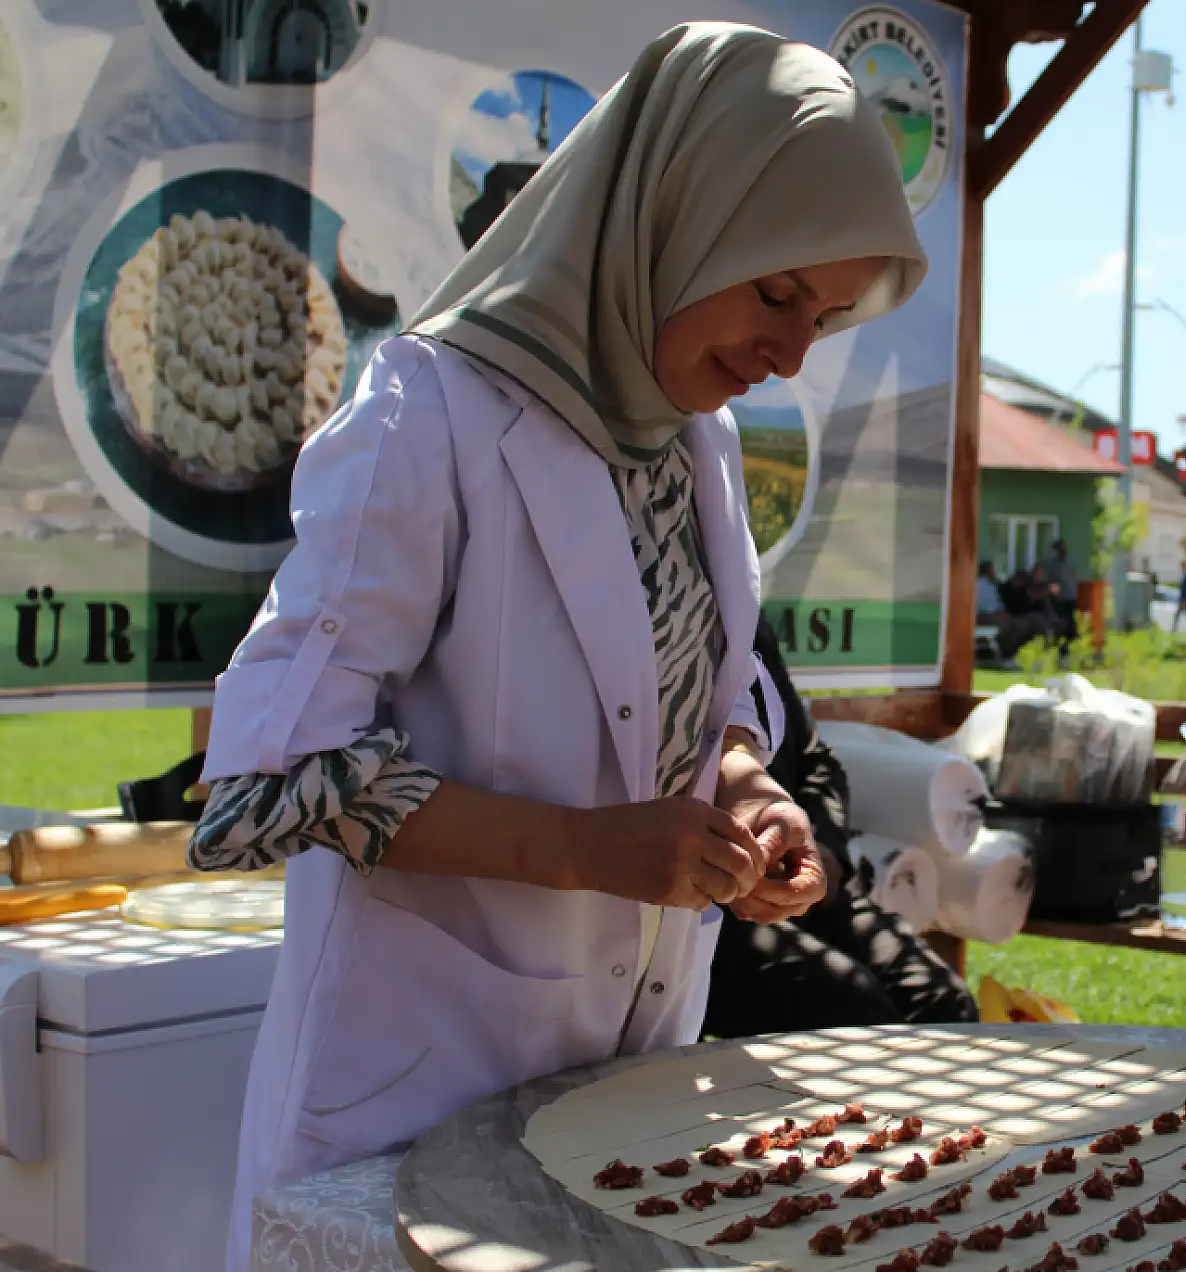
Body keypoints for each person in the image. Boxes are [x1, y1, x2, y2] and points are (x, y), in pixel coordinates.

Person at [184, 24, 927, 1271]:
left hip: (622, 1093)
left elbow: (686, 679)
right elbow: (261, 788)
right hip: (407, 1097)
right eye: (775, 292)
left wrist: (740, 782)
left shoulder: (697, 438)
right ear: (673, 216)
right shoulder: (427, 417)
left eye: (829, 316)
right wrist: (586, 852)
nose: (791, 352)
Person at [704, 617, 979, 1035]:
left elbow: (818, 761)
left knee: (943, 1002)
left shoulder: (748, 625)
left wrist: (826, 850)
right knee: (857, 1010)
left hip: (822, 890)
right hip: (723, 914)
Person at [1041, 538, 1079, 633]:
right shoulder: (1050, 563)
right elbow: (1045, 575)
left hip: (1070, 594)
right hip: (1059, 596)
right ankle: (1063, 634)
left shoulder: (1070, 560)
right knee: (1061, 618)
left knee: (1070, 617)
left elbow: (1074, 575)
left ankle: (1071, 635)